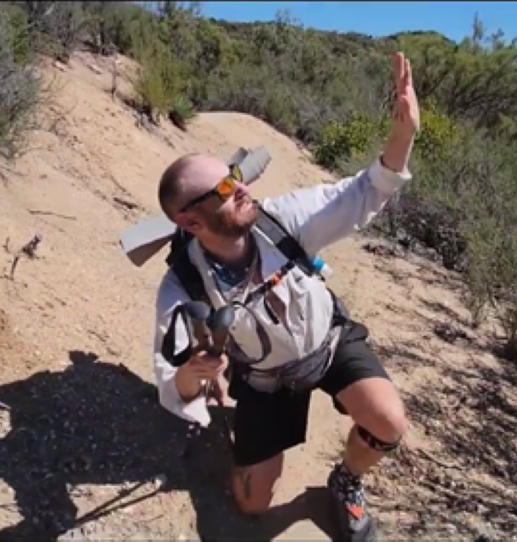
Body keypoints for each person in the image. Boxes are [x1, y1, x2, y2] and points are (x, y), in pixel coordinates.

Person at [150, 51, 420, 542]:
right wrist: (193, 374)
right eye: (225, 190)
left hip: (329, 343)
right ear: (190, 222)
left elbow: (363, 192)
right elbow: (171, 382)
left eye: (236, 177)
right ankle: (247, 450)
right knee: (251, 503)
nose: (242, 190)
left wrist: (402, 137)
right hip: (266, 378)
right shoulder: (183, 285)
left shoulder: (280, 220)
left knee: (389, 423)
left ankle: (347, 480)